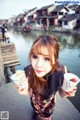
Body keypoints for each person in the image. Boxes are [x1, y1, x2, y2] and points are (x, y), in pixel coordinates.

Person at [15, 35, 77, 120]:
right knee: (35, 111)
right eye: (35, 56)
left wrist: (67, 93)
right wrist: (24, 91)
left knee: (46, 117)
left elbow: (61, 94)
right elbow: (27, 92)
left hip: (49, 106)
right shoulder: (28, 72)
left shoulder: (62, 74)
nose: (38, 65)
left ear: (55, 60)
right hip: (34, 102)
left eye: (47, 58)